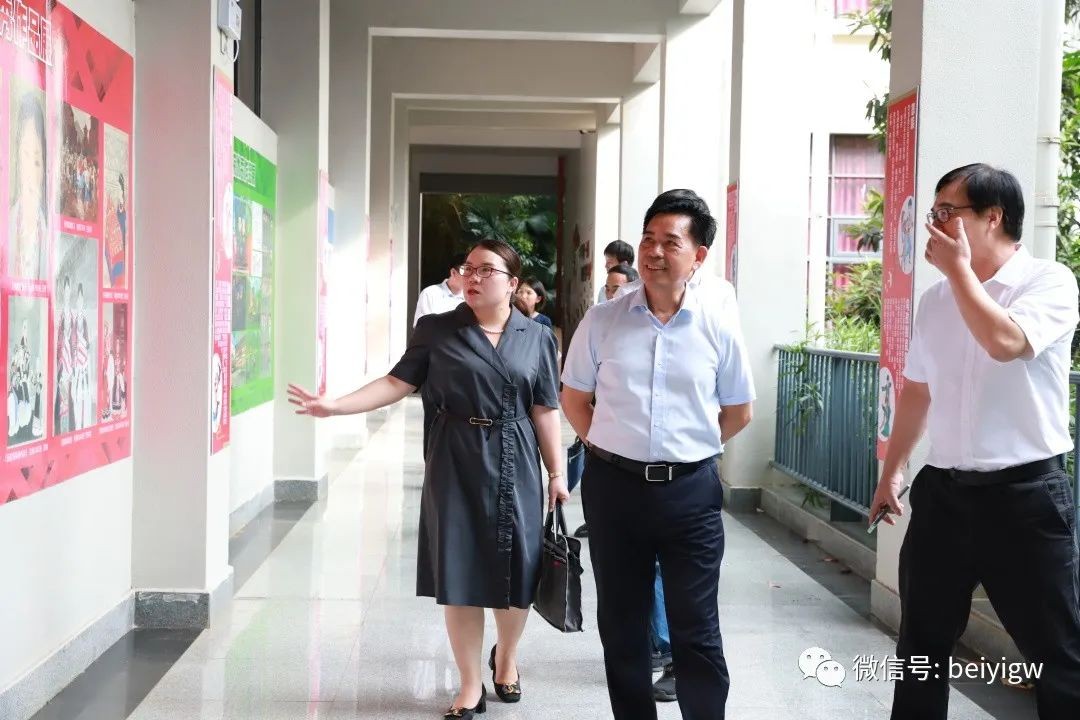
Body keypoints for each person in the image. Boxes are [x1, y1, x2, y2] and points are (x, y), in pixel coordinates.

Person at [289, 239, 567, 720]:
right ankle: (470, 684)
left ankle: (506, 656)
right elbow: (396, 382)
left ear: (513, 283)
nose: (473, 278)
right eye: (468, 268)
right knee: (460, 570)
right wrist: (336, 406)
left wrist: (557, 473)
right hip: (455, 457)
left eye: (486, 270)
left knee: (518, 568)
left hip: (516, 455)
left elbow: (544, 408)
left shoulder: (537, 336)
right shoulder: (437, 329)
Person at [869, 164, 1080, 720]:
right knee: (920, 648)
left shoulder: (1049, 281)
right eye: (934, 212)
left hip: (1024, 497)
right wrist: (893, 471)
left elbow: (1005, 341)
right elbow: (917, 391)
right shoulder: (935, 300)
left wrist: (960, 273)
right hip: (944, 493)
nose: (935, 224)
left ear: (993, 217)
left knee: (1057, 655)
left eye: (947, 213)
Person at [561, 189, 755, 720]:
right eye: (648, 239)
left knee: (697, 628)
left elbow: (739, 411)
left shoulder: (716, 324)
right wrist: (608, 447)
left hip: (690, 492)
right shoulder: (603, 320)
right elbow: (574, 398)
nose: (654, 251)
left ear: (698, 255)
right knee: (622, 625)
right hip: (614, 489)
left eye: (671, 242)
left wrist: (689, 448)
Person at [9, 90, 47, 281]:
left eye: (37, 162)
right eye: (25, 154)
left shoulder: (48, 232)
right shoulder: (7, 223)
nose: (31, 172)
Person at [414, 253, 467, 326]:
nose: (470, 277)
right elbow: (421, 327)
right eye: (466, 271)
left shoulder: (471, 297)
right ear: (453, 272)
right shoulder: (430, 293)